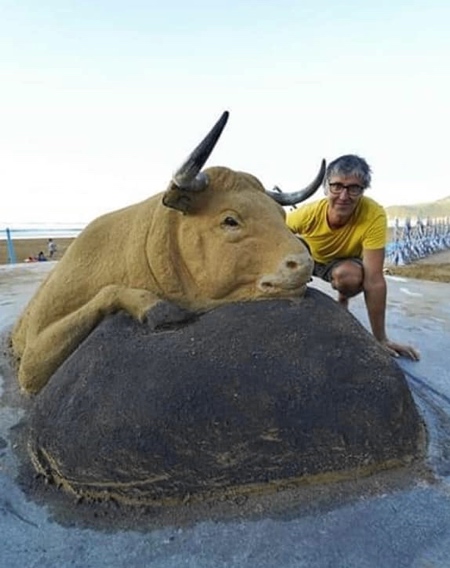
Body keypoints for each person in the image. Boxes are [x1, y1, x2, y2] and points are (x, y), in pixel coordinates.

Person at [287, 154, 420, 361]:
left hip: (344, 263)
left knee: (348, 277)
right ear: (326, 187)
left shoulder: (373, 214)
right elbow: (275, 233)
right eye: (337, 186)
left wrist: (381, 339)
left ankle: (343, 295)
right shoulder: (309, 213)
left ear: (363, 190)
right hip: (311, 259)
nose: (343, 196)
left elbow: (374, 280)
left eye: (354, 188)